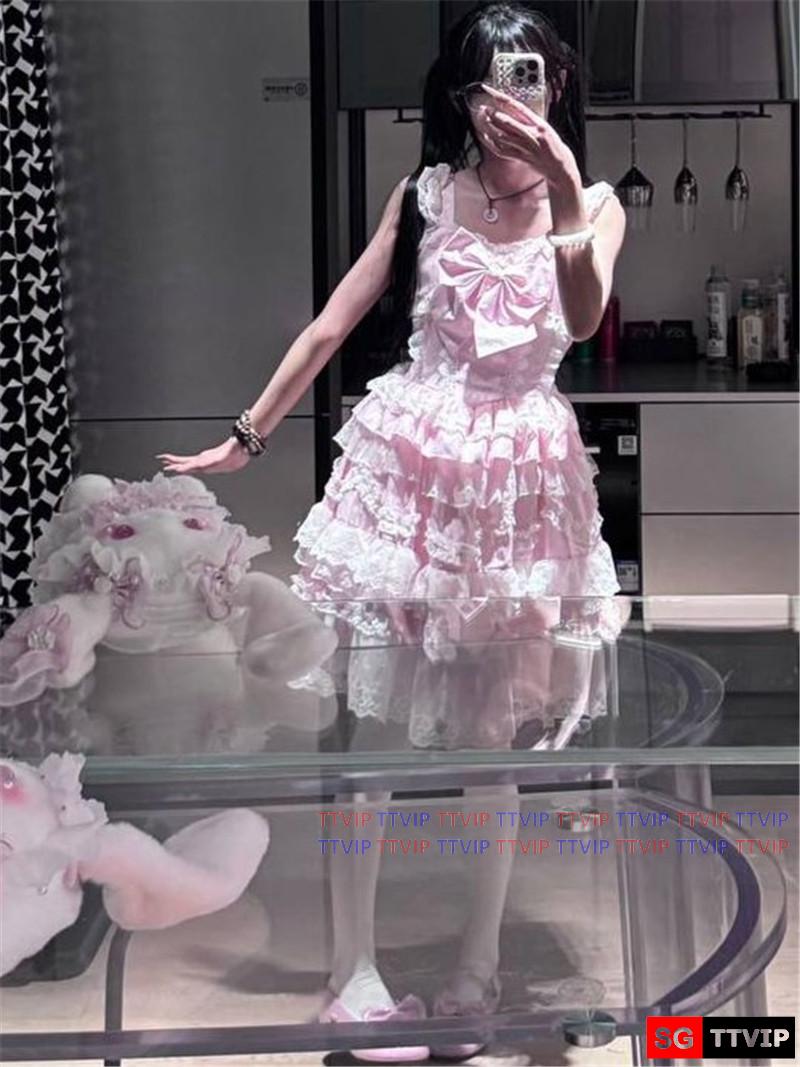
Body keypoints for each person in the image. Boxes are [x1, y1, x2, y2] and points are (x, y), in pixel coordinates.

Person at [159, 2, 627, 1060]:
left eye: (534, 74)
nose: (516, 96)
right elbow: (333, 320)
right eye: (495, 78)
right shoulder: (424, 195)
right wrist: (247, 435)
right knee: (370, 738)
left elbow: (583, 314)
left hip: (519, 491)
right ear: (463, 95)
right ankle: (352, 970)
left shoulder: (594, 205)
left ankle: (476, 970)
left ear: (558, 85)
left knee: (493, 744)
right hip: (408, 477)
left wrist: (561, 185)